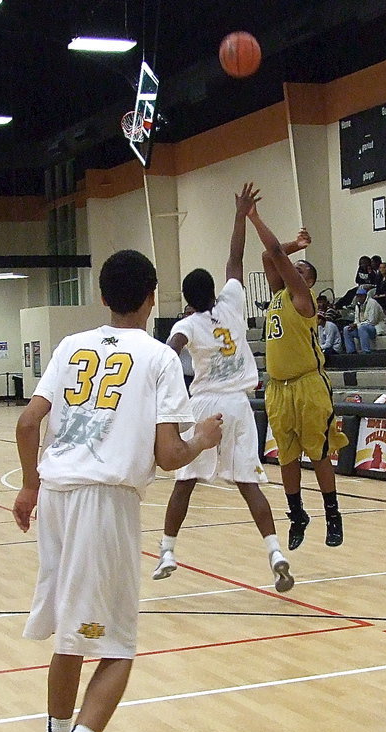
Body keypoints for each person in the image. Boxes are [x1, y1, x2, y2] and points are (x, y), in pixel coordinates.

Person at [14, 248, 222, 732]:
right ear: (153, 295)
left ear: (103, 296)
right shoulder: (158, 359)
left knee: (71, 635)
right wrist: (203, 437)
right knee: (118, 648)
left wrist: (29, 486)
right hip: (104, 503)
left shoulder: (70, 346)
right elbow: (167, 454)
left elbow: (28, 424)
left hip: (56, 496)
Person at [154, 183, 293, 593]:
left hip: (205, 404)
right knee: (249, 483)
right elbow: (236, 258)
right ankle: (275, 552)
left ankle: (166, 550)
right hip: (239, 404)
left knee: (186, 481)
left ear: (186, 299)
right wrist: (240, 214)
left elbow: (170, 351)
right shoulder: (231, 301)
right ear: (213, 290)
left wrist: (161, 369)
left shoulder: (186, 324)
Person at [258, 215, 348, 550]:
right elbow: (270, 257)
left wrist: (253, 216)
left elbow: (274, 255)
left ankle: (333, 515)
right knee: (286, 457)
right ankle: (297, 515)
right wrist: (296, 244)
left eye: (299, 268)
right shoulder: (279, 294)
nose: (291, 267)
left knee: (319, 453)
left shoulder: (301, 299)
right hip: (278, 389)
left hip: (308, 385)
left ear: (306, 281)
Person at [343, 289, 385, 354]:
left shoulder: (372, 303)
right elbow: (357, 319)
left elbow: (372, 321)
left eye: (360, 296)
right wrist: (354, 325)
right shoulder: (358, 305)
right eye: (357, 296)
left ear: (365, 296)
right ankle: (351, 351)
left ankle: (366, 351)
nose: (359, 298)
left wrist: (357, 325)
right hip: (362, 328)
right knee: (347, 329)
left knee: (363, 328)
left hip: (376, 327)